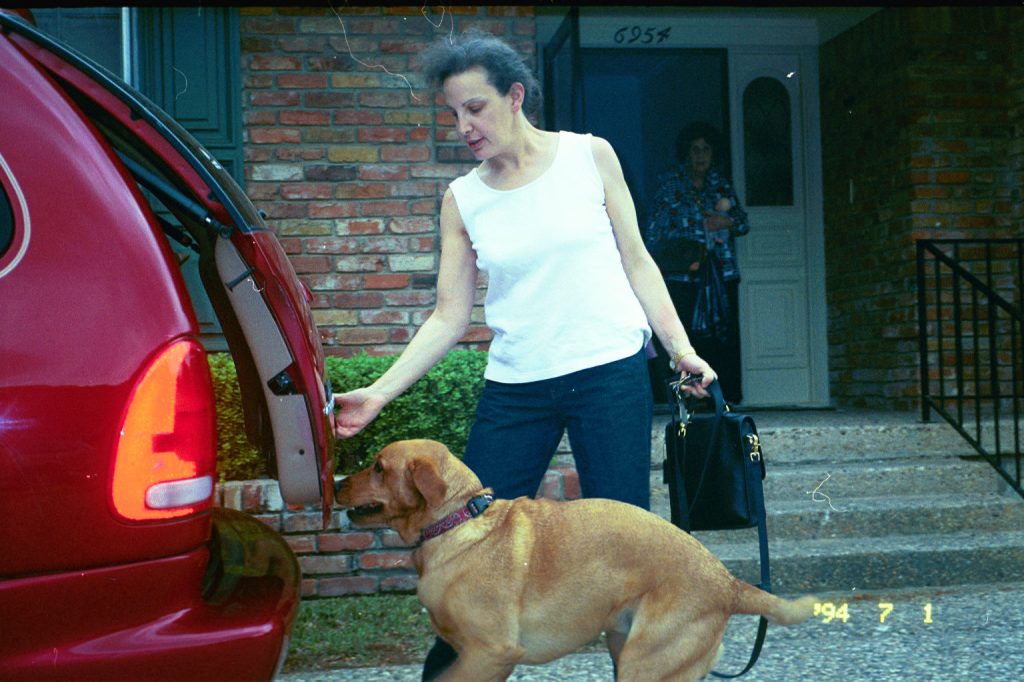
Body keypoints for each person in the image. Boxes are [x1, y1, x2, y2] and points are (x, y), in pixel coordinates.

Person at [331, 30, 716, 681]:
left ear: (515, 96)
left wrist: (680, 348)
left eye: (475, 108)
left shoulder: (590, 157)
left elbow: (638, 262)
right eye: (452, 113)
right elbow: (449, 315)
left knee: (624, 562)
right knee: (463, 542)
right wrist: (379, 392)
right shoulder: (463, 198)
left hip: (608, 377)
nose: (463, 126)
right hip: (518, 388)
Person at [645, 121, 749, 404]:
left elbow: (743, 223)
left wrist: (724, 221)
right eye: (695, 150)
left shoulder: (721, 185)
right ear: (686, 154)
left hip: (720, 273)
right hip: (685, 278)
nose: (701, 155)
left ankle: (723, 398)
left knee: (721, 336)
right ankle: (687, 399)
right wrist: (681, 254)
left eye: (706, 150)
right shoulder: (670, 185)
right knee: (687, 337)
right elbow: (654, 232)